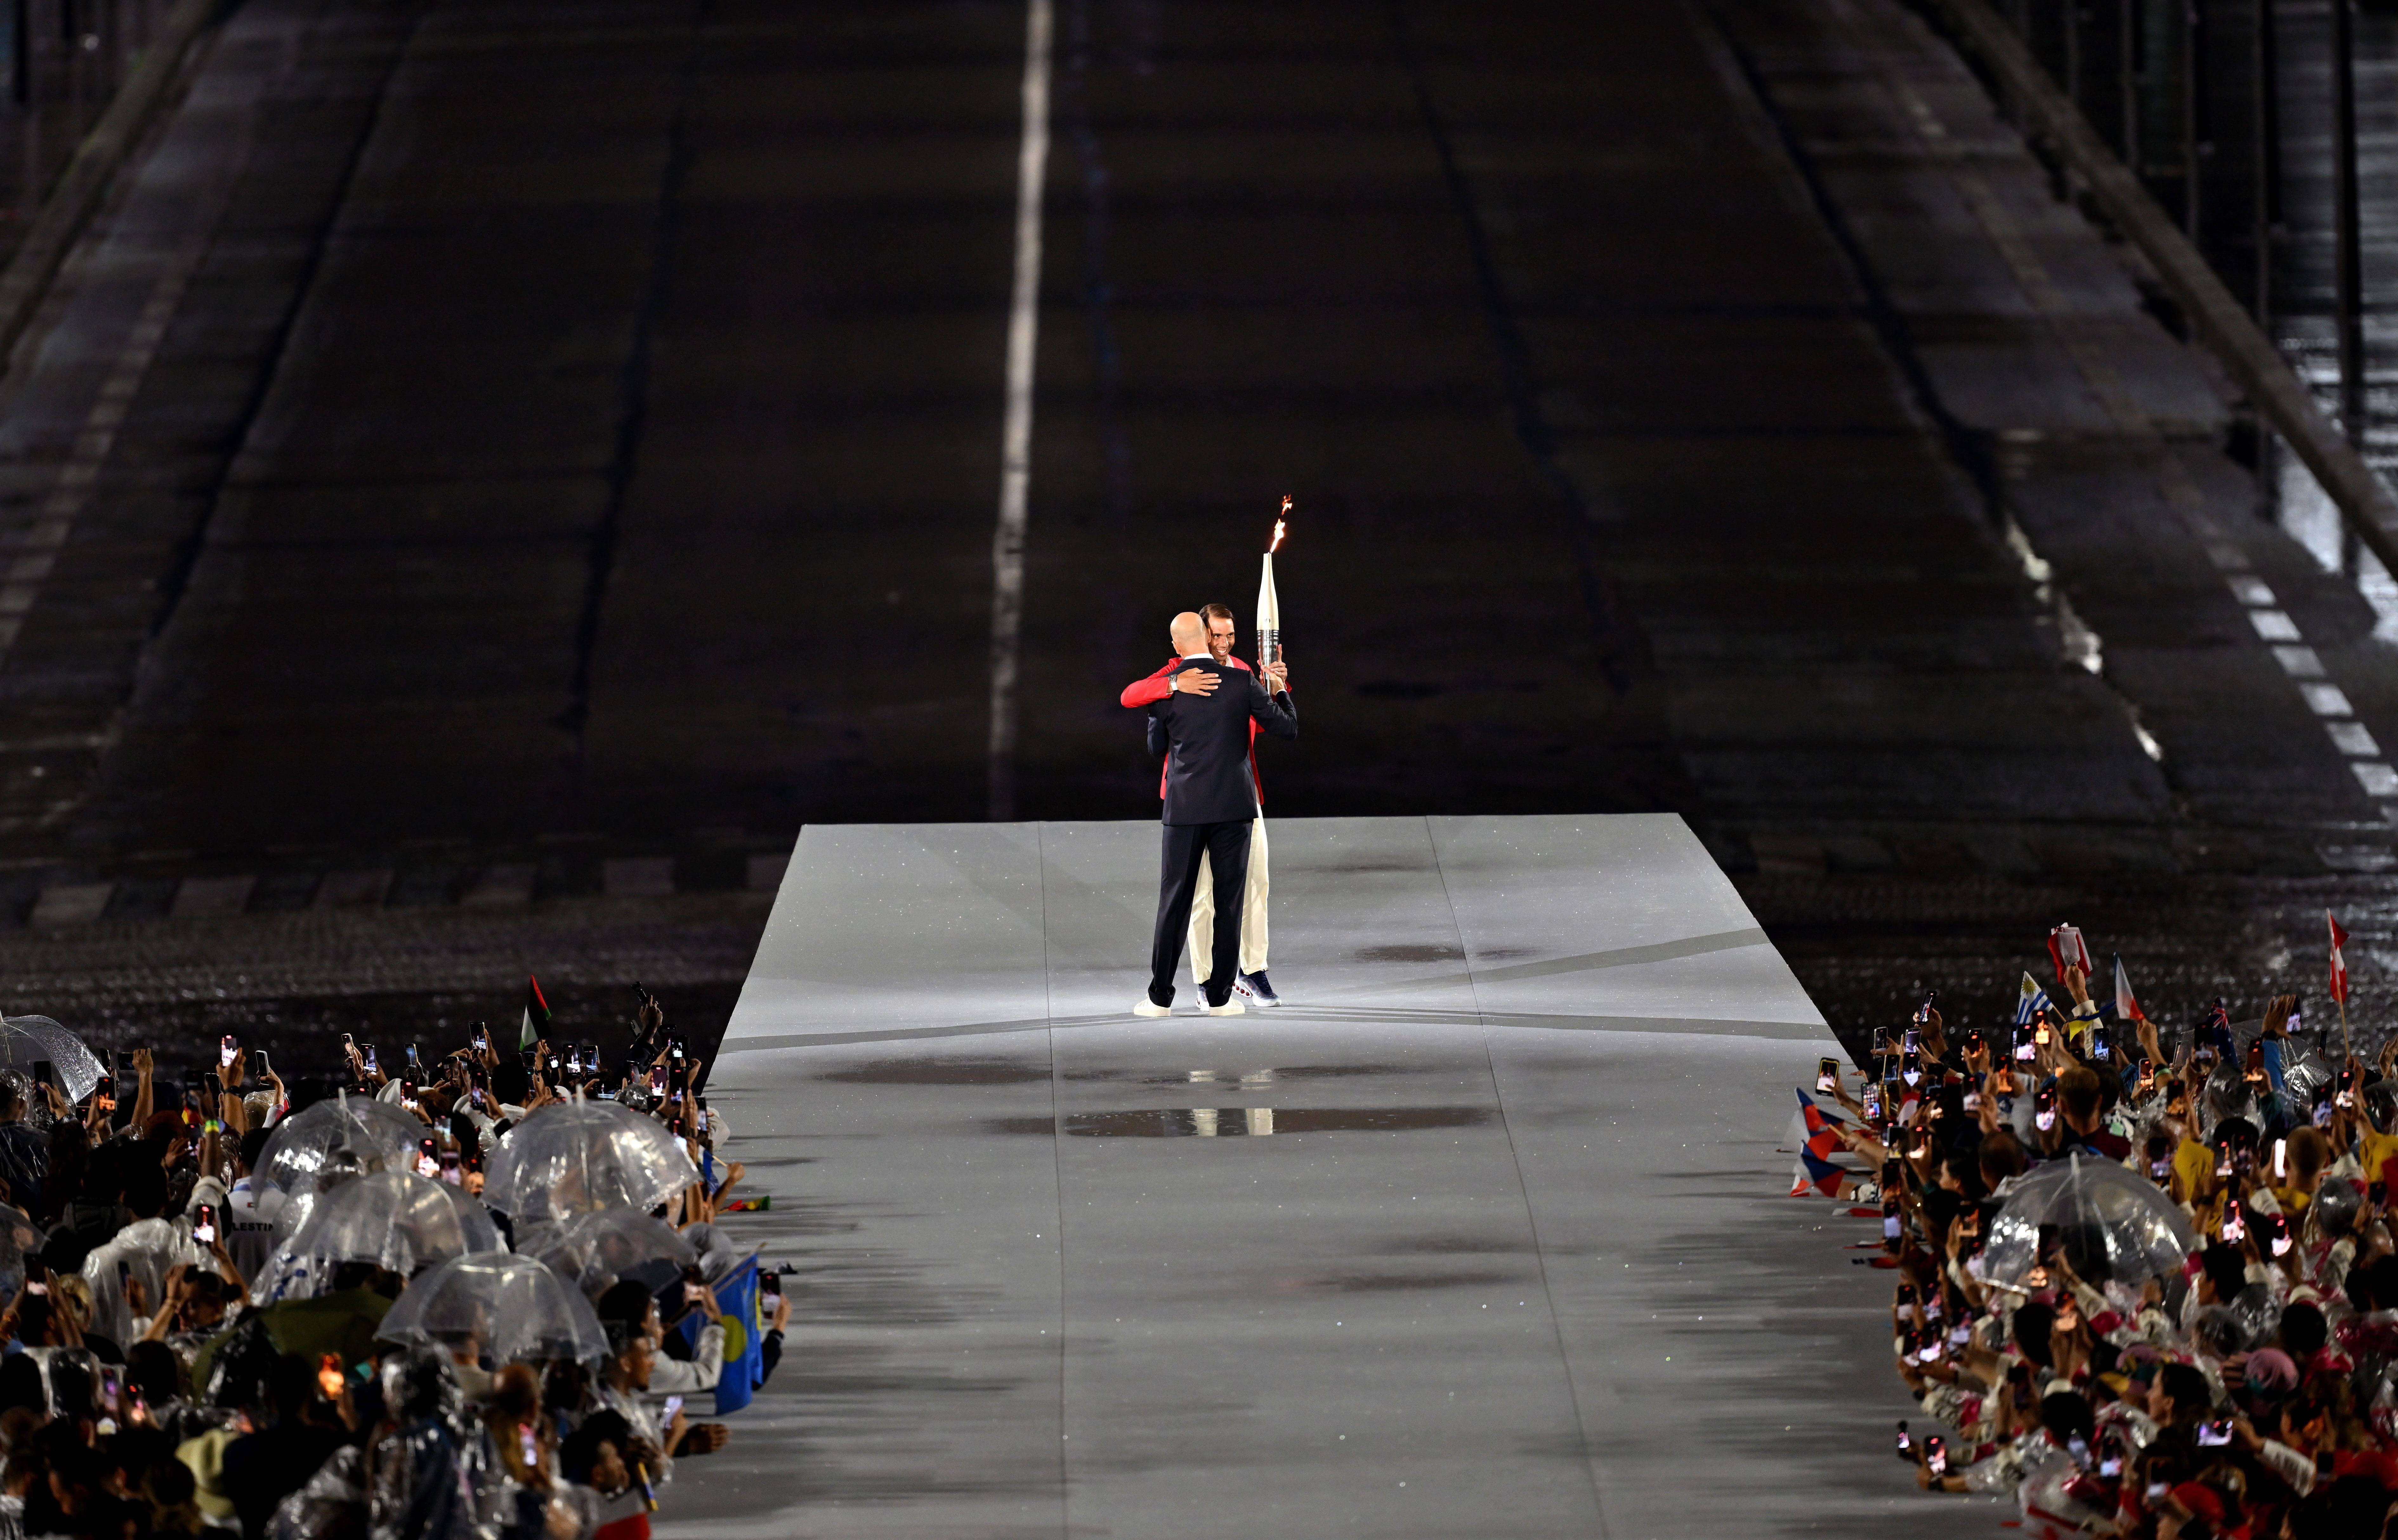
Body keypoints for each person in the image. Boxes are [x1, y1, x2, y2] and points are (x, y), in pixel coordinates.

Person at [1120, 603, 1288, 1007]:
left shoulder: (1242, 673)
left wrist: (1278, 686)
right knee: (1199, 897)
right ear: (1201, 635)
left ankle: (1250, 972)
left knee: (1253, 886)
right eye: (1216, 635)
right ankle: (1206, 981)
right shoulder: (1174, 674)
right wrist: (1174, 686)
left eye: (1230, 635)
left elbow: (1267, 722)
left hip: (1237, 794)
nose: (1224, 642)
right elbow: (1132, 695)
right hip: (1197, 798)